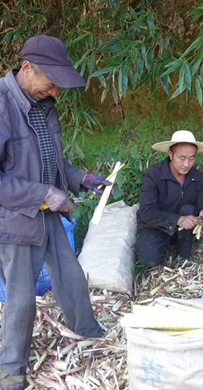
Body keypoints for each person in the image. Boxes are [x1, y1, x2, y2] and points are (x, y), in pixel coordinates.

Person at [0, 35, 114, 390]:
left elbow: (50, 159)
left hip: (48, 213)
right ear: (28, 68)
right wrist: (43, 193)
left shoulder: (43, 104)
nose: (56, 92)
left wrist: (80, 179)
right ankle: (10, 370)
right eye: (51, 83)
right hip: (17, 219)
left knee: (71, 276)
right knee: (20, 300)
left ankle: (91, 334)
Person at [135, 130, 203, 267]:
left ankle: (184, 255)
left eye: (191, 158)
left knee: (188, 209)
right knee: (149, 259)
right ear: (170, 154)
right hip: (157, 226)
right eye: (182, 158)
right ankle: (163, 243)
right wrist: (178, 220)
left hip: (184, 231)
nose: (186, 164)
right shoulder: (153, 175)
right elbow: (146, 212)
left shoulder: (197, 177)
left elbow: (201, 201)